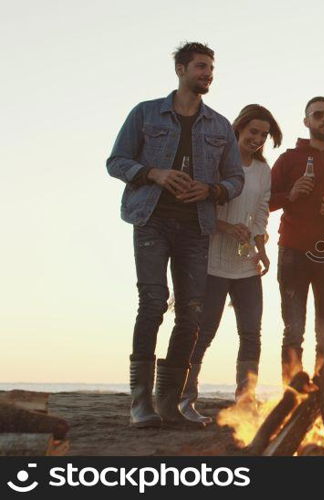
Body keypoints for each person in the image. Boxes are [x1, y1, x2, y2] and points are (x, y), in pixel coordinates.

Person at [106, 42, 243, 428]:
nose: (208, 74)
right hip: (151, 219)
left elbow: (235, 177)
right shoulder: (146, 113)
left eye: (211, 68)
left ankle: (168, 403)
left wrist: (212, 190)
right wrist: (154, 173)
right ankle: (140, 404)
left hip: (195, 227)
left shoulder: (218, 125)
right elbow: (116, 161)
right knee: (152, 304)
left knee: (191, 314)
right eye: (201, 67)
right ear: (181, 70)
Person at [180, 104, 282, 424]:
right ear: (238, 128)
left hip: (246, 259)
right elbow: (202, 203)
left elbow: (262, 209)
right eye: (253, 131)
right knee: (204, 330)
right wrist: (224, 227)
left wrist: (260, 243)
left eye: (264, 134)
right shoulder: (218, 163)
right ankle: (185, 396)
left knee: (251, 332)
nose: (257, 138)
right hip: (211, 258)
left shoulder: (263, 170)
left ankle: (245, 398)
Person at [269, 96, 324, 386]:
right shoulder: (289, 159)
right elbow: (263, 202)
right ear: (306, 121)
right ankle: (292, 395)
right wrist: (289, 195)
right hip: (292, 251)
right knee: (293, 330)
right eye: (318, 115)